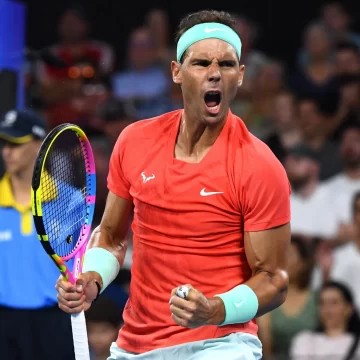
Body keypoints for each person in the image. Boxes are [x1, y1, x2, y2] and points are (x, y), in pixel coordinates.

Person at [56, 10, 291, 360]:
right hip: (136, 344)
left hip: (221, 344)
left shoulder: (260, 165)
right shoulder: (134, 142)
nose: (214, 74)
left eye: (226, 65)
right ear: (176, 72)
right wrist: (92, 280)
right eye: (201, 63)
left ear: (240, 76)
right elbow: (113, 237)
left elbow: (273, 279)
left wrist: (214, 309)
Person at [0, 109, 74, 360]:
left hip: (55, 322)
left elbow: (81, 268)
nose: (6, 152)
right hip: (4, 323)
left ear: (38, 144)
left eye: (16, 143)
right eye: (4, 144)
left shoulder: (71, 202)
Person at [258, 235, 318, 360]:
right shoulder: (267, 298)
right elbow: (265, 348)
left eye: (289, 255)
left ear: (304, 263)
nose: (282, 262)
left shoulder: (316, 299)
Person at [290, 281, 360, 360]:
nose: (327, 309)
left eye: (334, 303)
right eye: (322, 303)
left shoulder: (357, 344)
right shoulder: (304, 340)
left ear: (349, 308)